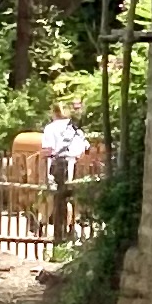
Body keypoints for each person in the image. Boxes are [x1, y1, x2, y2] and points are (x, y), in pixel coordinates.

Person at [39, 100, 89, 243]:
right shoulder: (74, 129)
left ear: (54, 113)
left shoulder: (50, 128)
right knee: (68, 197)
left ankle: (47, 226)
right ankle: (69, 227)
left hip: (55, 165)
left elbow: (47, 150)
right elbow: (82, 149)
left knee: (53, 196)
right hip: (71, 165)